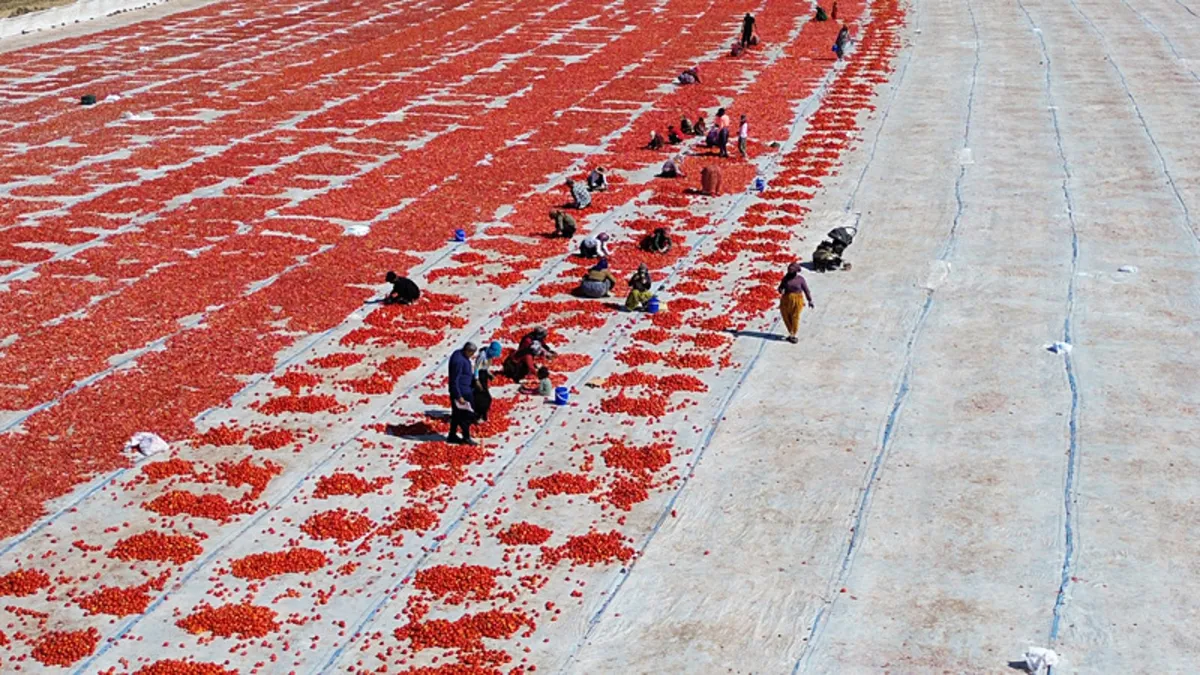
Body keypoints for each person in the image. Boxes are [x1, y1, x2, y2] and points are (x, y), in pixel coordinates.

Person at [448, 342, 478, 445]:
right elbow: (454, 379)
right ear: (467, 351)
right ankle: (466, 437)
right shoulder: (459, 361)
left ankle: (452, 435)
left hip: (463, 389)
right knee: (466, 415)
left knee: (456, 414)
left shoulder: (458, 354)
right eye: (472, 353)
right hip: (462, 392)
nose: (472, 355)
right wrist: (458, 396)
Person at [778, 262, 815, 344]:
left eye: (791, 271)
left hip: (797, 300)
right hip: (786, 299)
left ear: (795, 272)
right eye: (788, 271)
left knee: (795, 316)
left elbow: (806, 290)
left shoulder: (800, 279)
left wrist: (810, 300)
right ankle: (790, 331)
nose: (789, 273)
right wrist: (781, 290)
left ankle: (793, 334)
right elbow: (780, 287)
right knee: (786, 315)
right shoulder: (785, 278)